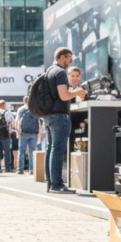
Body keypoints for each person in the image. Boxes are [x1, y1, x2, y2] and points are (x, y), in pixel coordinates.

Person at [45, 47, 87, 193]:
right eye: (69, 58)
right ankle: (57, 185)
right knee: (57, 151)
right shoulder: (61, 72)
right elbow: (64, 95)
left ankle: (50, 182)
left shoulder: (49, 71)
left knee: (51, 149)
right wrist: (78, 91)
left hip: (49, 115)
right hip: (59, 116)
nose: (70, 61)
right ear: (63, 57)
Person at [15, 95, 39, 175]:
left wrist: (18, 132)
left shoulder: (21, 109)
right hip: (34, 132)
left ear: (24, 101)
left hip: (23, 132)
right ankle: (31, 169)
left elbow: (17, 121)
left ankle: (20, 169)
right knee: (32, 151)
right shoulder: (35, 108)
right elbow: (39, 121)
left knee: (21, 151)